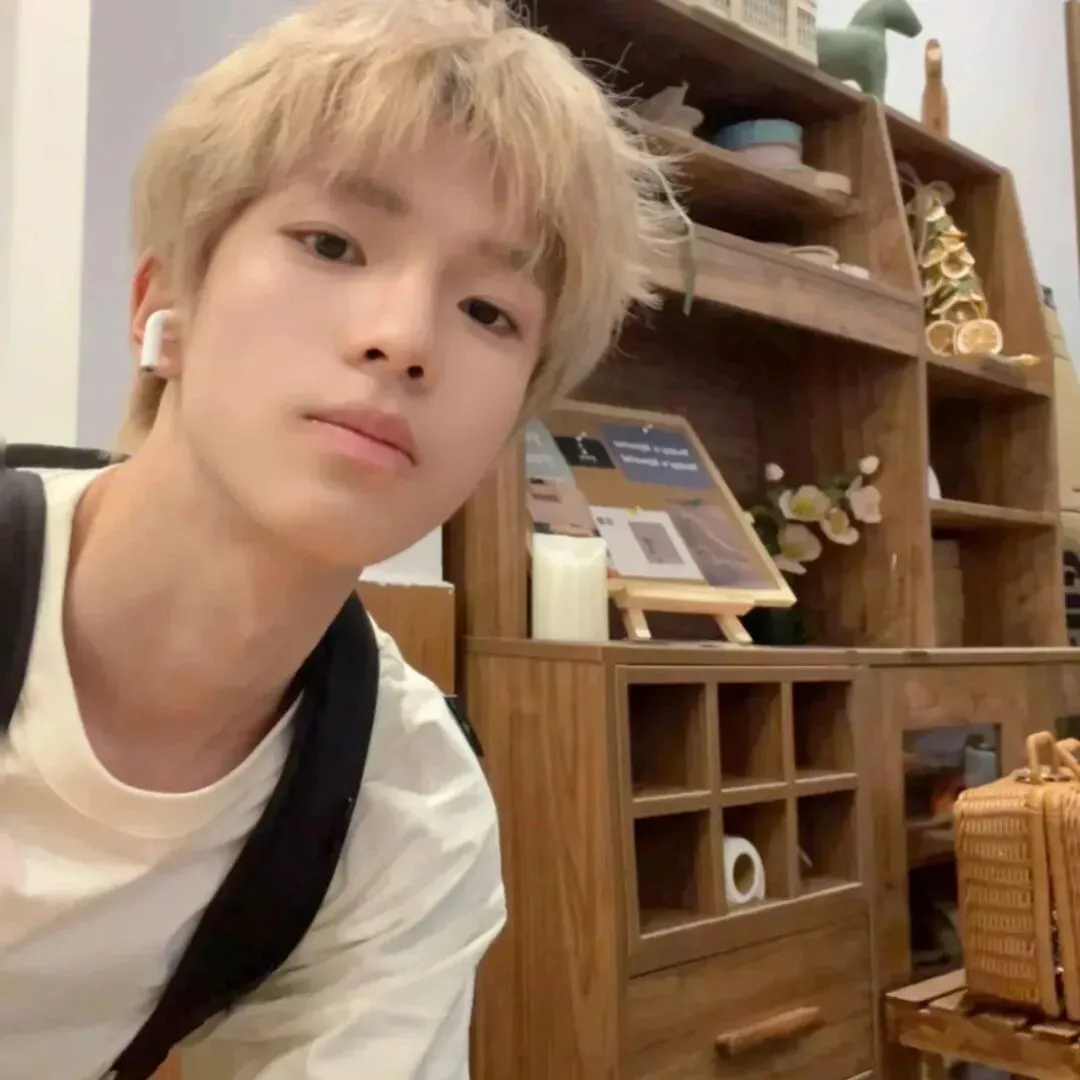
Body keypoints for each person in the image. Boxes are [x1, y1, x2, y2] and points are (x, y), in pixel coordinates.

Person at [0, 0, 677, 1076]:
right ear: (162, 301)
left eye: (489, 312)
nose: (404, 339)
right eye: (332, 243)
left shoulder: (406, 807)